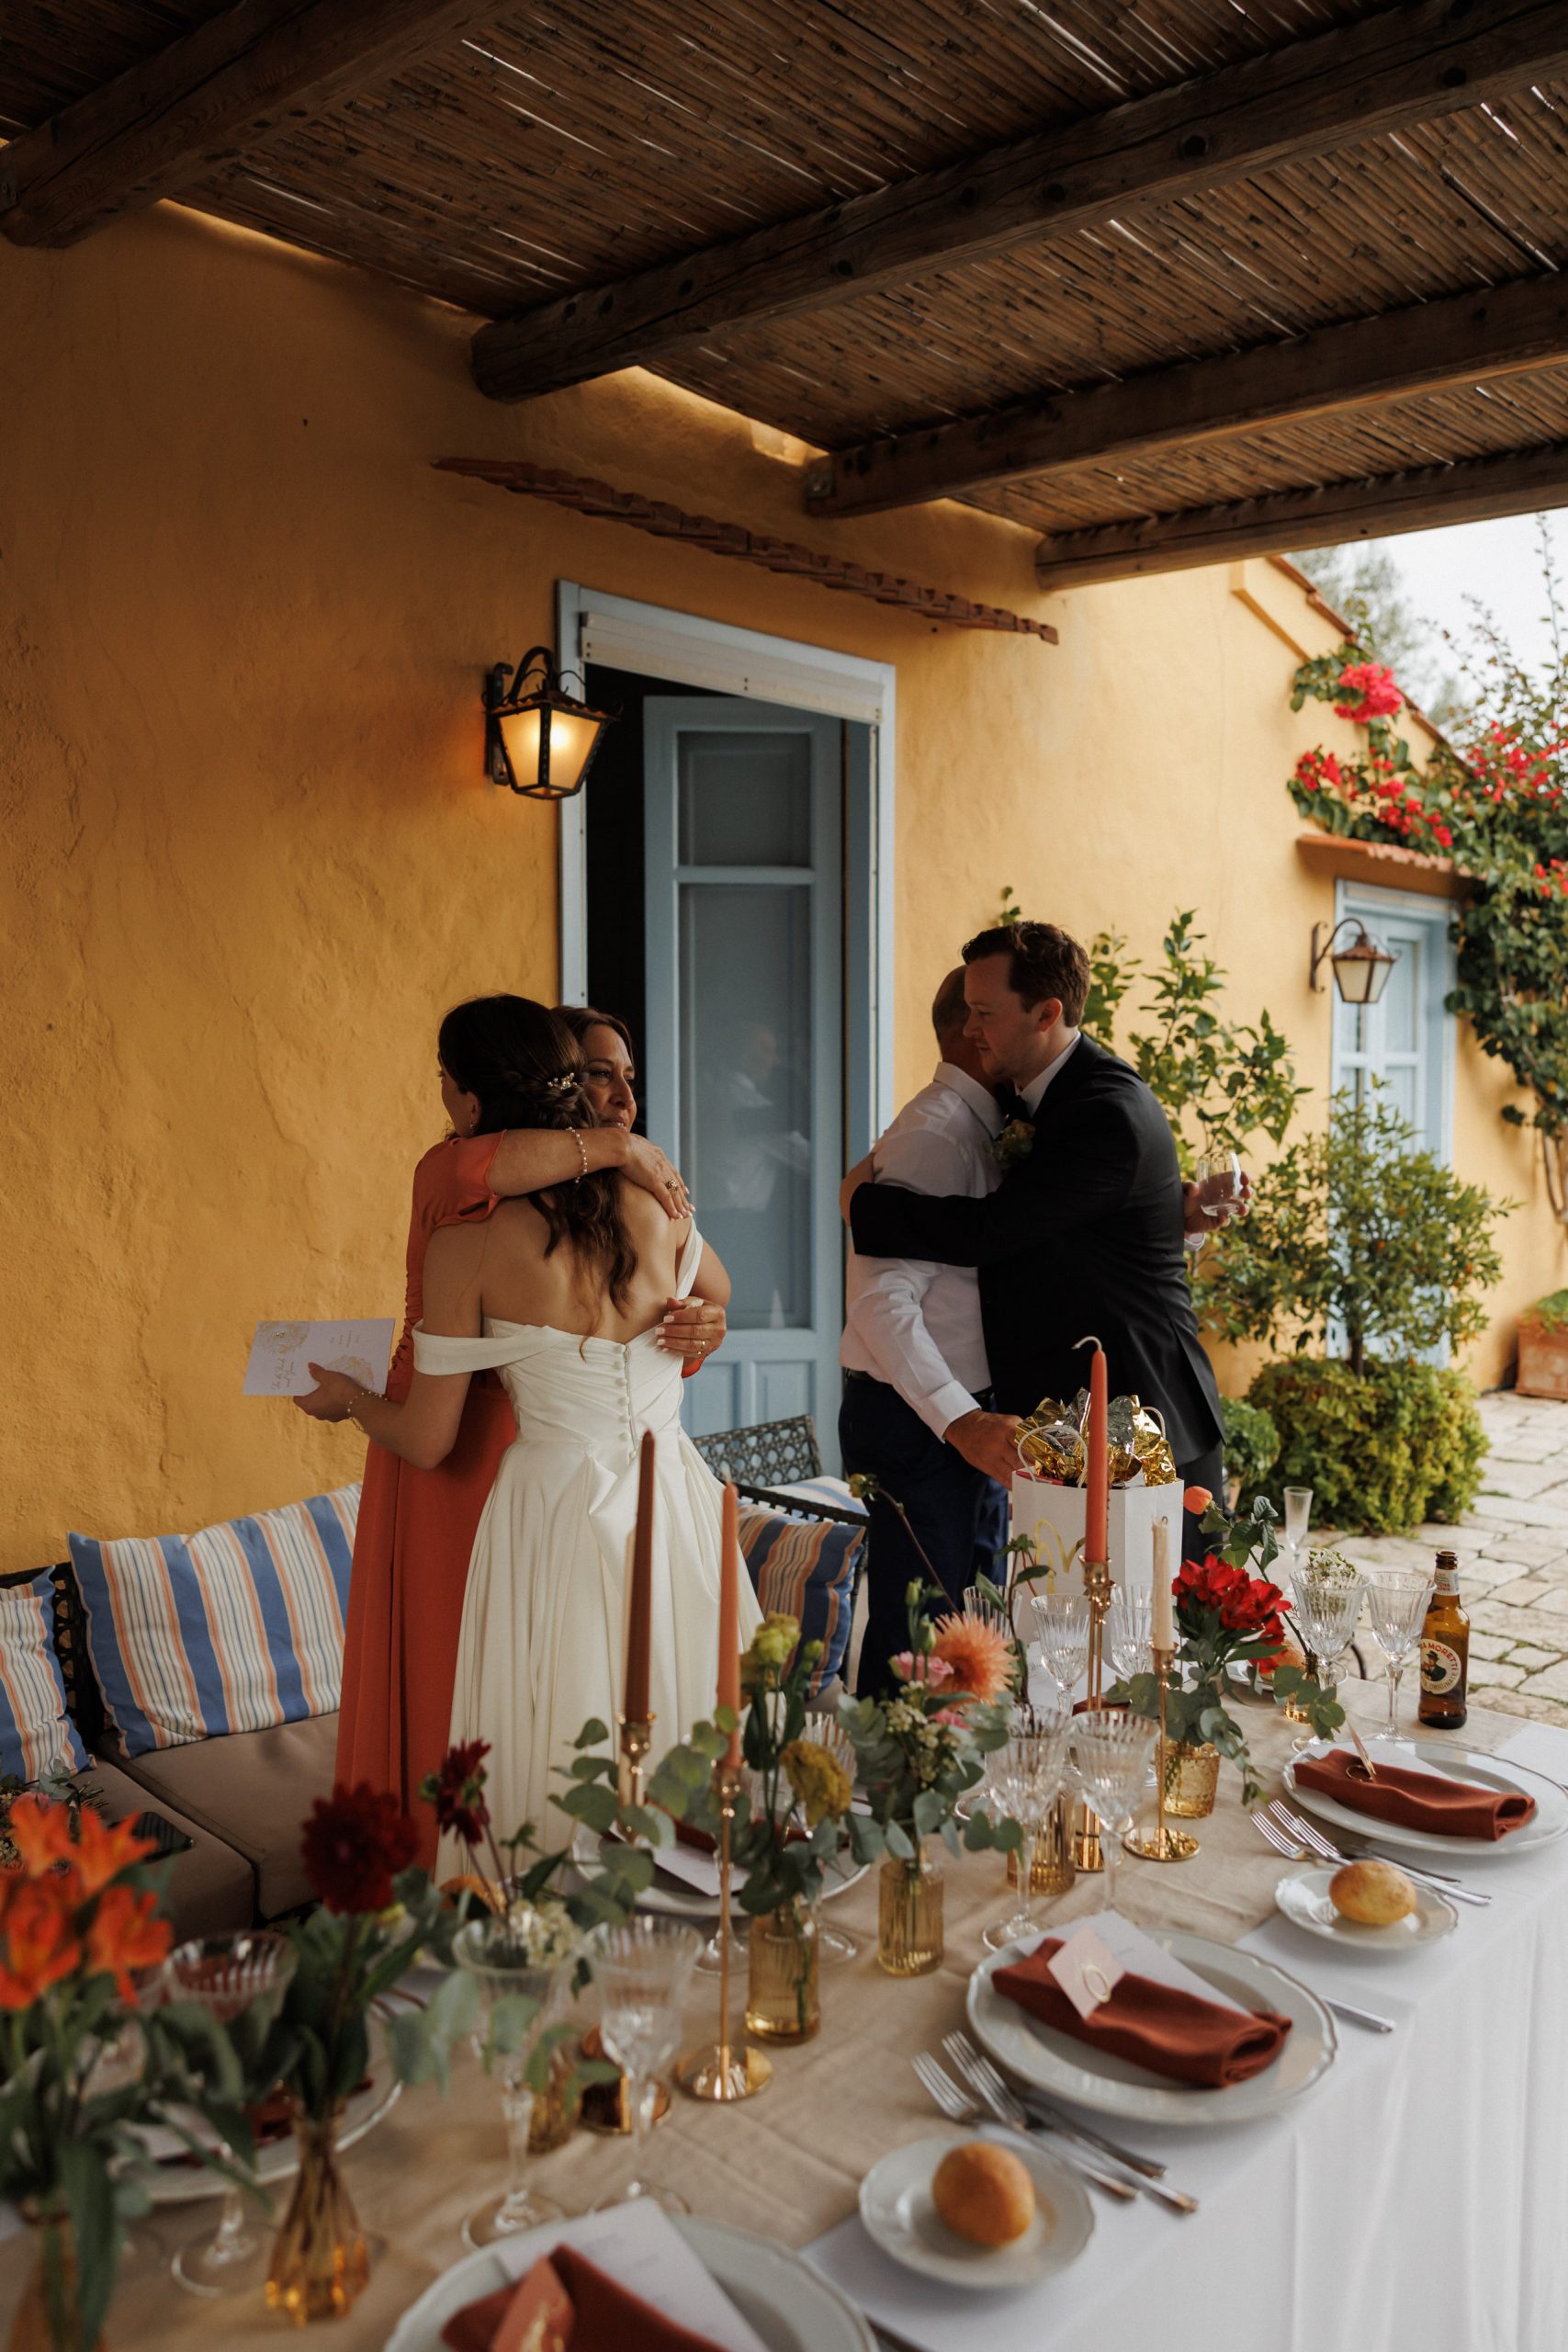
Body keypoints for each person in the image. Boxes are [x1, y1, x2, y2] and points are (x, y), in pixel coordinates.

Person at [302, 999, 760, 1853]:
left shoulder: (467, 1244)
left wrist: (349, 1399)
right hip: (675, 1500)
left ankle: (545, 1909)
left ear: (471, 1101)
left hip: (548, 1511)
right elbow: (713, 1292)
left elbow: (429, 1439)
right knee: (683, 1716)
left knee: (548, 1734)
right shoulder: (659, 1206)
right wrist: (694, 1316)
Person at [845, 922, 1225, 1546]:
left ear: (1046, 1013)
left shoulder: (1103, 1112)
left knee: (1160, 1600)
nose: (969, 1030)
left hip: (1141, 1421)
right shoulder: (1035, 1096)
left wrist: (861, 1203)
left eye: (984, 1013)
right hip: (1069, 1422)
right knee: (1072, 1597)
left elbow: (990, 1230)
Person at [840, 968, 1010, 1693]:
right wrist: (959, 1421)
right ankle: (893, 1768)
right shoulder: (936, 1134)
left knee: (969, 1635)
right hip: (921, 1425)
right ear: (976, 1028)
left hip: (960, 1418)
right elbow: (879, 1301)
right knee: (917, 1647)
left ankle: (954, 1763)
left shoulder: (974, 1127)